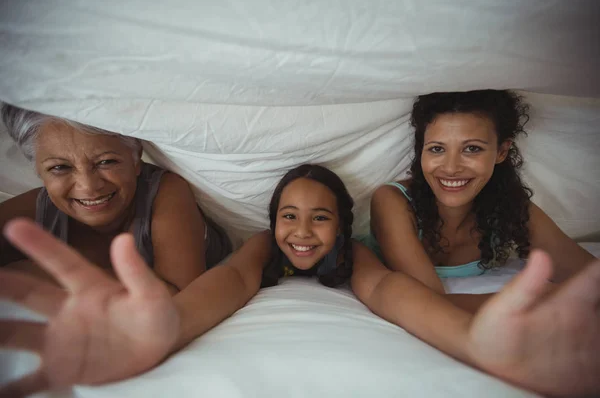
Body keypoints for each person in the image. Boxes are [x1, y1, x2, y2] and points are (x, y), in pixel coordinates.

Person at [1, 164, 599, 398]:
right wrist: (170, 328)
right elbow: (233, 278)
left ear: (342, 226)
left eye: (320, 217)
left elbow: (390, 293)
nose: (303, 231)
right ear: (272, 222)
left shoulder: (353, 255)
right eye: (289, 215)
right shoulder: (262, 248)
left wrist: (473, 343)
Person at [362, 90, 596, 311]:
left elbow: (588, 276)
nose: (451, 168)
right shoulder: (392, 201)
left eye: (472, 149)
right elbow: (428, 303)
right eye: (436, 149)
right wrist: (541, 299)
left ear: (502, 152)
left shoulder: (510, 206)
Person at [0, 103, 232, 294]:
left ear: (135, 158)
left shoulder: (167, 192)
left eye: (106, 162)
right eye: (60, 167)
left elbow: (180, 297)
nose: (88, 187)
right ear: (39, 172)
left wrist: (34, 272)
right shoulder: (39, 207)